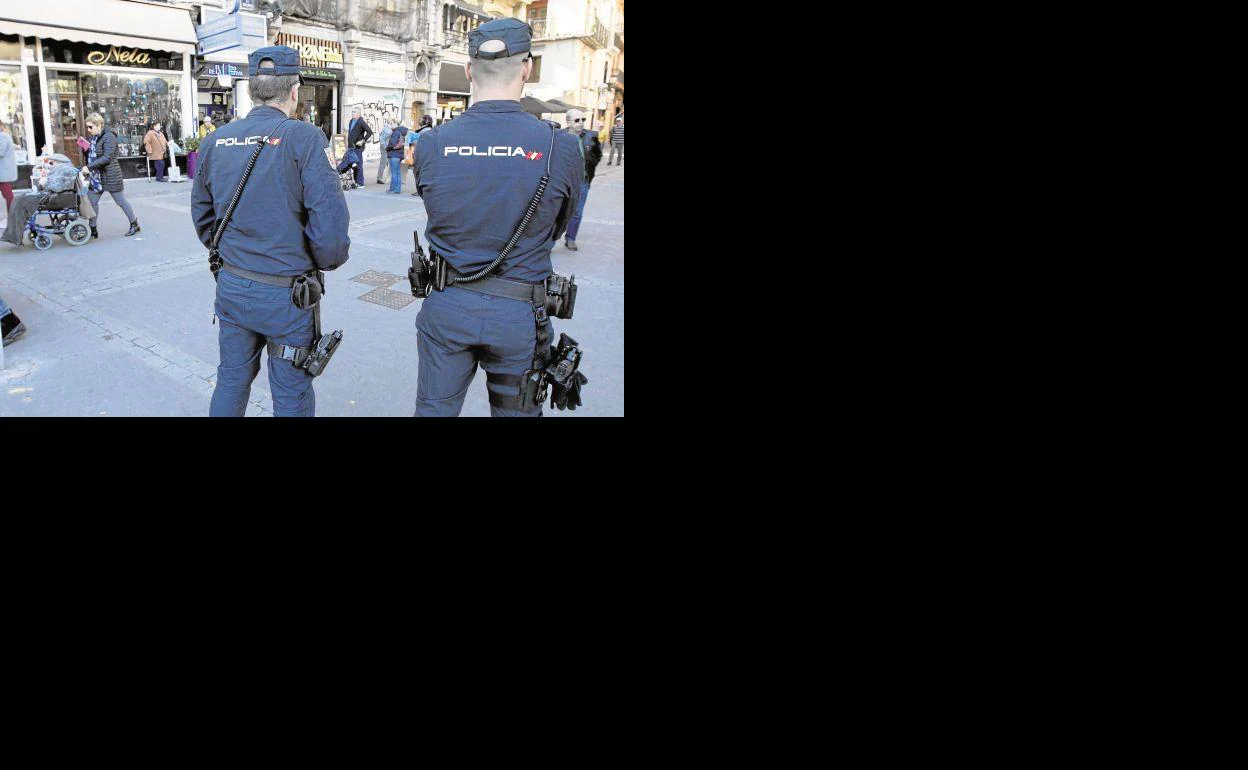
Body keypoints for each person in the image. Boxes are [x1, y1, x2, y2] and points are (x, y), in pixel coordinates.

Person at [410, 18, 582, 417]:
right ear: (527, 68)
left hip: (448, 307)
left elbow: (436, 208)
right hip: (520, 315)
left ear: (469, 70)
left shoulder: (433, 142)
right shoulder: (561, 145)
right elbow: (558, 224)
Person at [191, 46, 351, 418]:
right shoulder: (305, 138)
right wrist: (323, 262)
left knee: (231, 380)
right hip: (287, 296)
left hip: (233, 285)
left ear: (251, 90)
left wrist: (230, 252)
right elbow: (330, 232)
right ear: (294, 91)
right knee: (291, 393)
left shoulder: (216, 140)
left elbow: (202, 215)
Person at [82, 114, 140, 238]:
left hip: (111, 174)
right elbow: (94, 154)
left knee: (120, 201)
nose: (88, 130)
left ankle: (134, 224)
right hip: (97, 177)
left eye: (90, 127)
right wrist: (85, 148)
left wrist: (89, 167)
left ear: (99, 125)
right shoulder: (95, 137)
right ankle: (92, 229)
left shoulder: (109, 136)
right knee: (92, 201)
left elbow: (107, 157)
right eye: (87, 127)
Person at [561, 108, 601, 252]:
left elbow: (597, 154)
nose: (581, 123)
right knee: (557, 211)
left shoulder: (591, 136)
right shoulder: (559, 136)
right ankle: (549, 242)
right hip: (563, 181)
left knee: (577, 212)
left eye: (582, 120)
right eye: (577, 120)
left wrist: (590, 168)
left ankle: (570, 239)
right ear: (568, 121)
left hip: (582, 182)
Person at [338, 108, 372, 188]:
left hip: (358, 147)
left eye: (354, 112)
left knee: (359, 164)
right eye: (352, 111)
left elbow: (370, 131)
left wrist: (362, 141)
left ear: (358, 113)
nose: (352, 113)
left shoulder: (361, 121)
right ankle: (355, 181)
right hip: (351, 147)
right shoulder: (351, 121)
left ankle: (360, 183)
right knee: (352, 163)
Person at [406, 115, 433, 195]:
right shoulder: (426, 130)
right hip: (424, 154)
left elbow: (422, 142)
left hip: (421, 155)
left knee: (419, 173)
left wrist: (414, 142)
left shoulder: (425, 131)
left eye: (420, 119)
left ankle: (420, 191)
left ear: (426, 121)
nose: (419, 121)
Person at [385, 118, 408, 194]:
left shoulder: (396, 132)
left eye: (391, 123)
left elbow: (392, 143)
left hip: (394, 154)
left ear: (395, 124)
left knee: (394, 173)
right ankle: (397, 189)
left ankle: (392, 189)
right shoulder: (402, 132)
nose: (390, 125)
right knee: (398, 172)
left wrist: (387, 148)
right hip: (399, 154)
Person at [0, 119, 16, 213]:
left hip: (4, 171)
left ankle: (12, 216)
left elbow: (1, 152)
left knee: (8, 194)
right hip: (4, 171)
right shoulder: (4, 135)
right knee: (7, 194)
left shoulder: (3, 136)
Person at [375, 119, 392, 185]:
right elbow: (382, 138)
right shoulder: (387, 129)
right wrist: (385, 147)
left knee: (386, 163)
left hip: (387, 148)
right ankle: (379, 178)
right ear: (391, 122)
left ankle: (382, 178)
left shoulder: (387, 128)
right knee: (383, 163)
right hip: (386, 149)